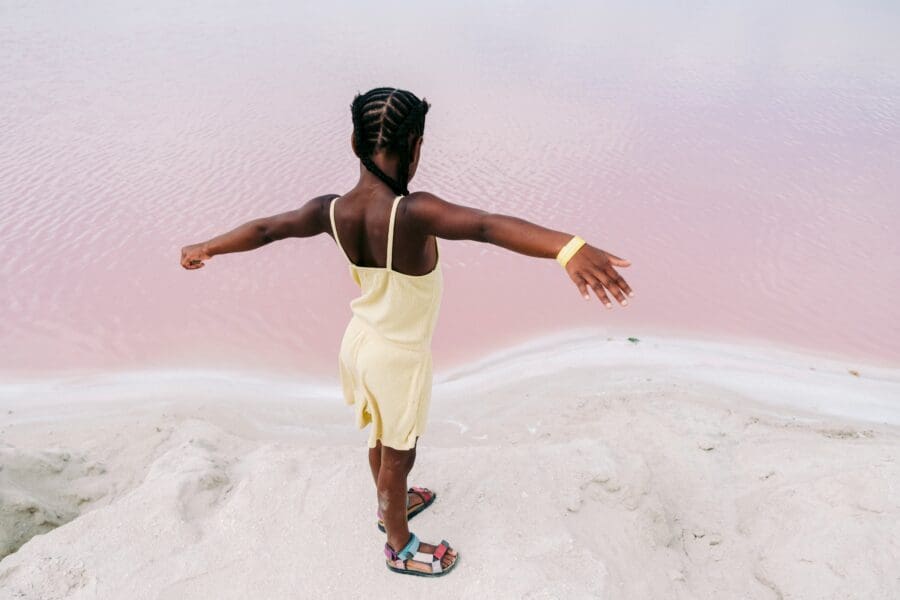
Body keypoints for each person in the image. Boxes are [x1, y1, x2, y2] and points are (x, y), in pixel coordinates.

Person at [180, 86, 633, 578]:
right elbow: (485, 225)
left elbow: (268, 229)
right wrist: (567, 248)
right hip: (399, 358)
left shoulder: (331, 210)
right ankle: (398, 542)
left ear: (354, 142)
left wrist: (208, 245)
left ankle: (387, 503)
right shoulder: (413, 213)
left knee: (380, 433)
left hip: (359, 342)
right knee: (400, 452)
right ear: (416, 147)